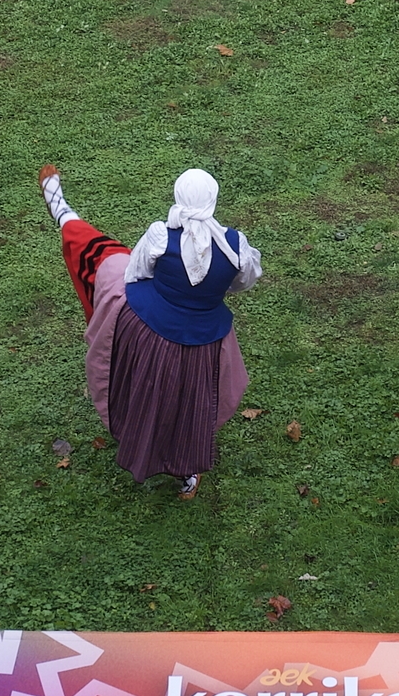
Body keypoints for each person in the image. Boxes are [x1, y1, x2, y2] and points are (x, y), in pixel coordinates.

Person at [36, 163, 261, 498]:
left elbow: (136, 271)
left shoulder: (160, 234)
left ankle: (61, 209)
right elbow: (244, 281)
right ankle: (186, 473)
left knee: (143, 386)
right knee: (191, 400)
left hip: (150, 330)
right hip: (205, 339)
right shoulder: (235, 246)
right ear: (213, 200)